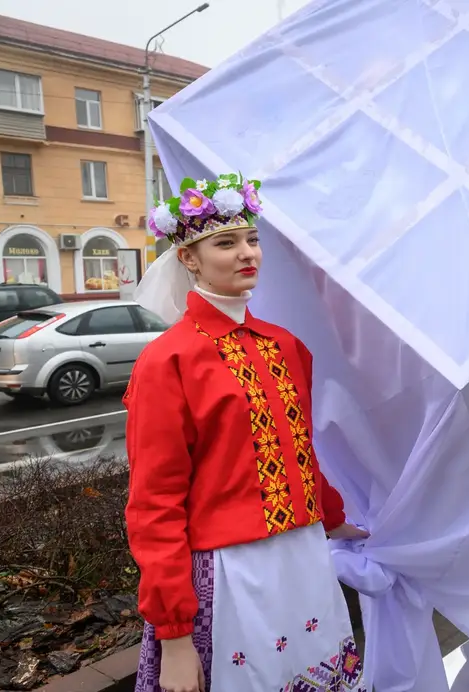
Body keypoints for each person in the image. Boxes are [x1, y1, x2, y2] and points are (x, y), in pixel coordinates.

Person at [126, 173, 368, 692]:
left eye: (252, 240)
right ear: (188, 258)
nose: (246, 253)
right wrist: (173, 635)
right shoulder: (167, 361)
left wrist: (333, 516)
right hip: (234, 573)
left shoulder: (285, 346)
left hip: (303, 559)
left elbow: (299, 448)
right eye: (225, 243)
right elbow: (155, 501)